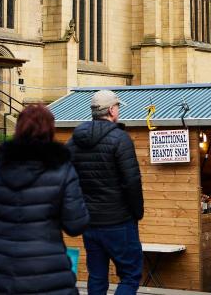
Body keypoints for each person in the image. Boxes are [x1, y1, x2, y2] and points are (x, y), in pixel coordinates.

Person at [0, 104, 89, 295]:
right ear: (50, 129)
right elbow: (75, 224)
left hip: (3, 273)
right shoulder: (62, 168)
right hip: (49, 274)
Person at [67, 89, 144, 295]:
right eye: (117, 106)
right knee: (130, 275)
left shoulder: (74, 141)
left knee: (97, 276)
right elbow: (132, 181)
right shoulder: (121, 139)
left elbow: (68, 179)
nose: (118, 110)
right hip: (119, 220)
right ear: (111, 110)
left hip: (90, 222)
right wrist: (137, 212)